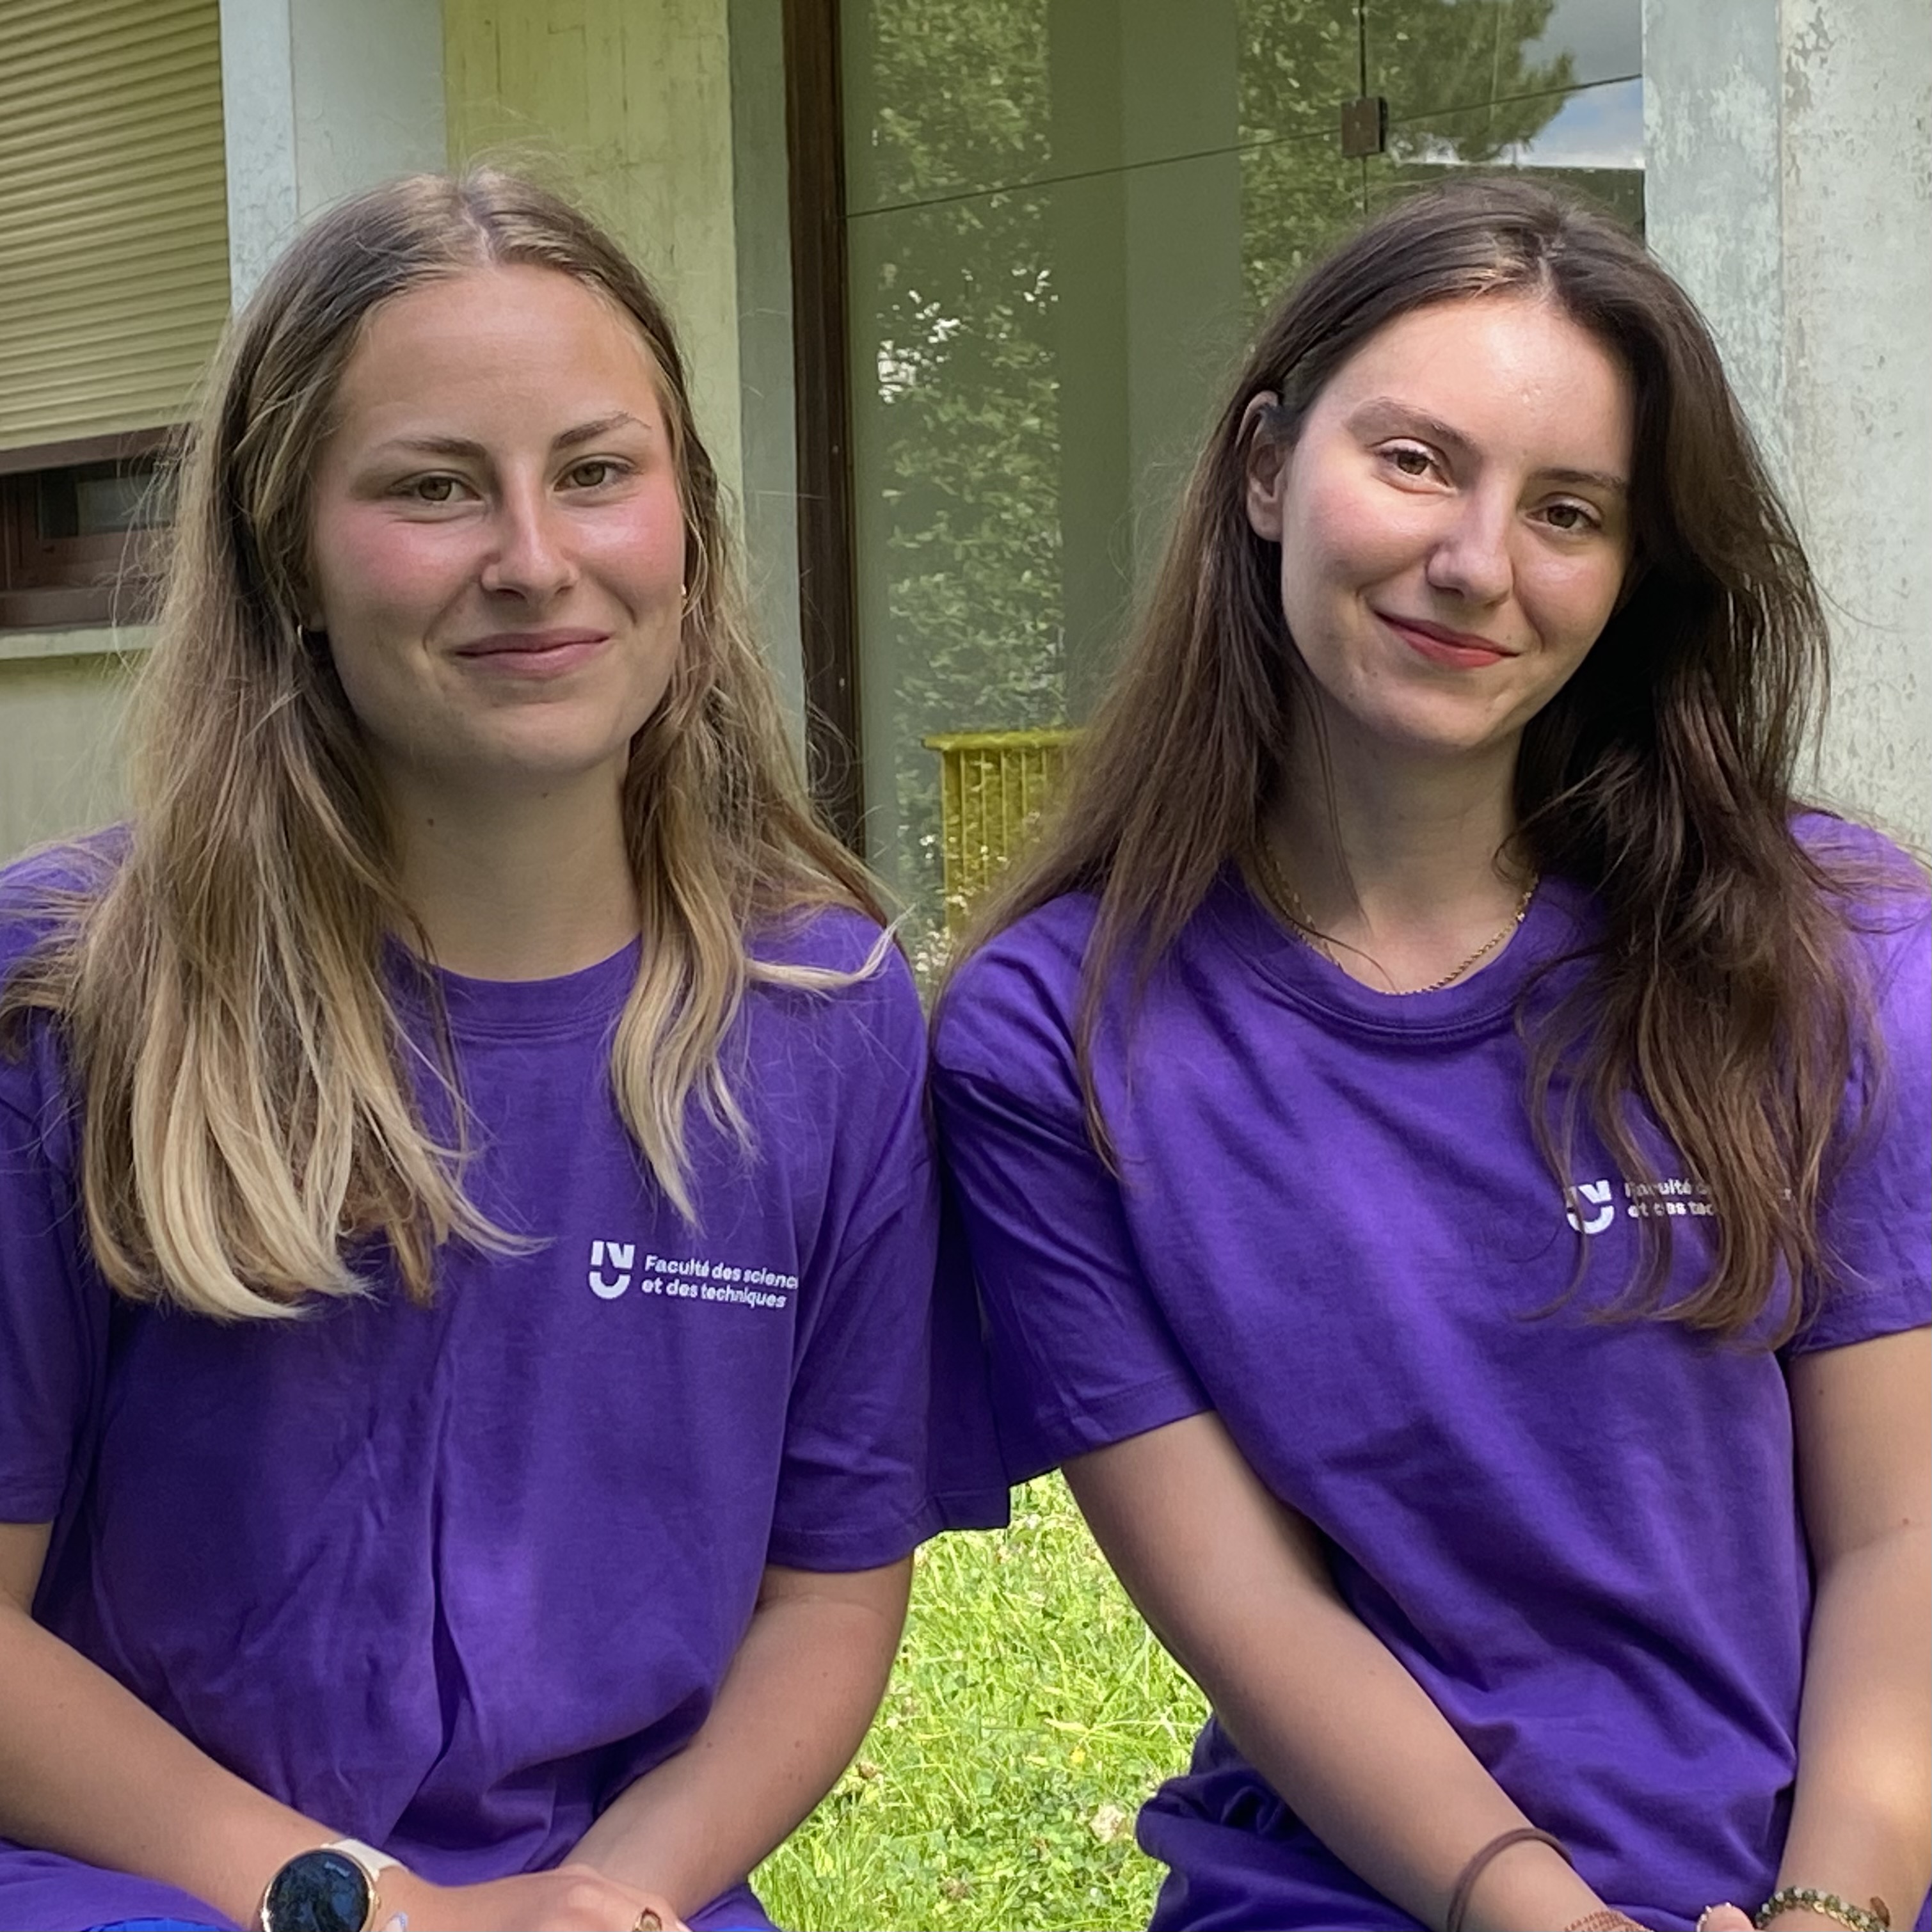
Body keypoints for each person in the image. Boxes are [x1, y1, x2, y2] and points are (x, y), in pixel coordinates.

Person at [0, 168, 1002, 1932]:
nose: (532, 559)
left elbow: (828, 1600)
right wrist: (378, 1910)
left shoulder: (825, 1018)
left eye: (596, 473)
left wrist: (609, 1895)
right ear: (283, 548)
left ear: (685, 519)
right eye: (432, 487)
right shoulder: (72, 996)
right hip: (155, 1883)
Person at [931, 177, 1929, 1932]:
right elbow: (1253, 1615)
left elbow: (1897, 1538)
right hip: (1366, 1884)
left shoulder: (1827, 945)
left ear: (1632, 574)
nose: (1477, 563)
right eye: (1411, 461)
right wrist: (1528, 1911)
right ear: (1262, 469)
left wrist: (1832, 1909)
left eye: (1567, 510)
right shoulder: (1055, 1037)